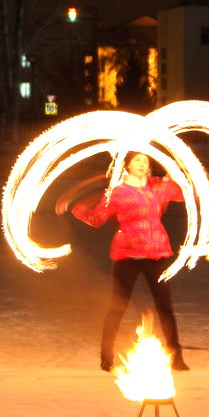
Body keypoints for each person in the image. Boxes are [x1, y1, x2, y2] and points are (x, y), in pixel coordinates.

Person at [56, 153, 190, 373]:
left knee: (165, 307)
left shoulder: (158, 188)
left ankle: (176, 357)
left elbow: (190, 195)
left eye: (145, 160)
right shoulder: (117, 193)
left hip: (156, 254)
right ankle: (106, 357)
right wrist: (76, 207)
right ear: (127, 165)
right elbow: (97, 219)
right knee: (117, 307)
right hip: (127, 255)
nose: (142, 163)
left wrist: (184, 168)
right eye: (137, 160)